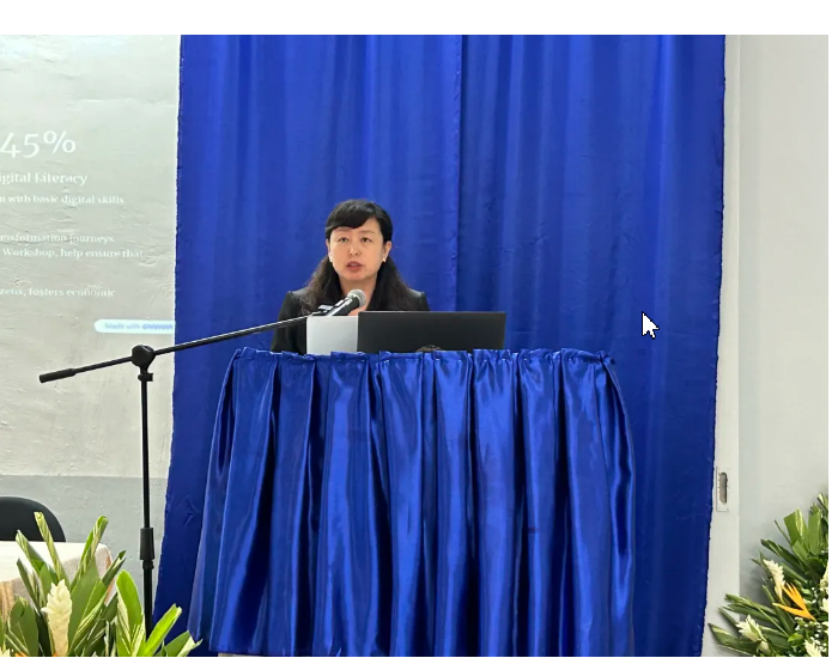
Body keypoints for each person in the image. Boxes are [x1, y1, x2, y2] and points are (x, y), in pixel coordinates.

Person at [270, 199, 430, 354]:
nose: (353, 251)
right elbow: (280, 369)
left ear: (385, 250)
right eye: (343, 239)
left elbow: (425, 367)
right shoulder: (298, 306)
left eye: (365, 239)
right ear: (329, 248)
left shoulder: (412, 305)